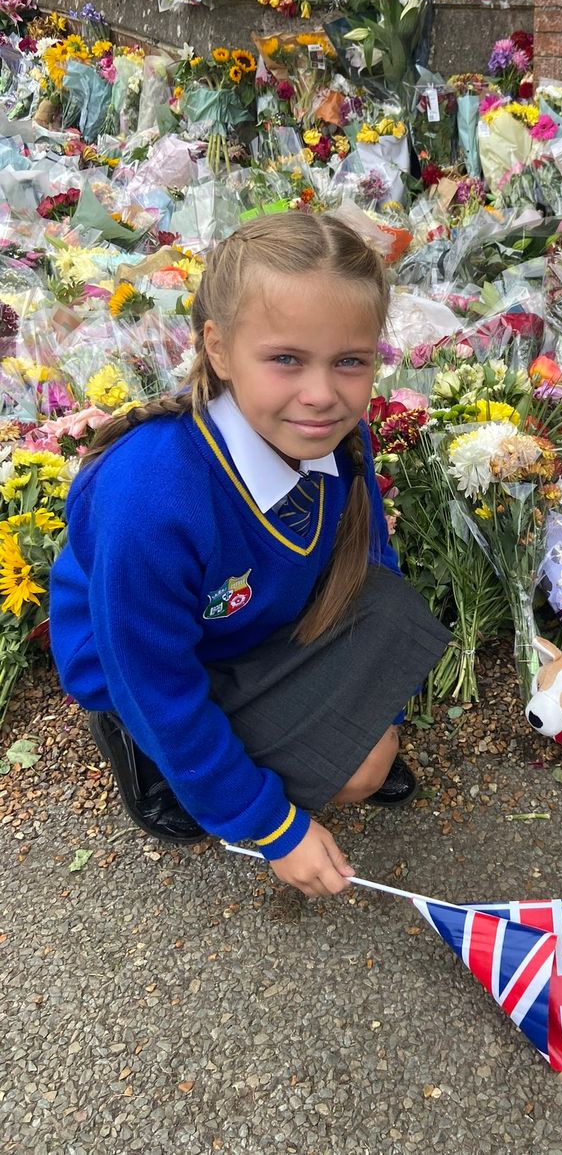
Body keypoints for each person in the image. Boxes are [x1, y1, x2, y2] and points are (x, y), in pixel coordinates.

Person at [49, 211, 450, 899]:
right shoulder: (153, 492)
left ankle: (263, 738)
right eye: (287, 359)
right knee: (344, 771)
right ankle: (139, 745)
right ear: (220, 349)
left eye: (350, 360)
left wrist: (378, 696)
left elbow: (370, 566)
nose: (323, 393)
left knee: (370, 755)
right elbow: (155, 676)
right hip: (150, 662)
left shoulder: (334, 437)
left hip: (254, 621)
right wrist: (271, 826)